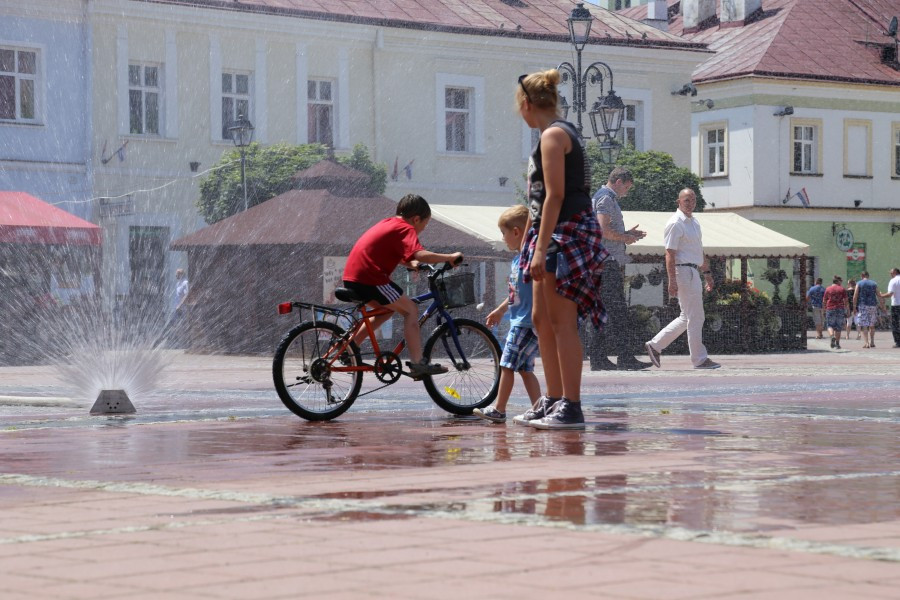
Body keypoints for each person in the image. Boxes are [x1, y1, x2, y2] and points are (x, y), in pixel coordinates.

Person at [511, 69, 609, 430]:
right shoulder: (551, 135)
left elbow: (555, 196)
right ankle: (552, 399)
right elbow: (538, 201)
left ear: (525, 105)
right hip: (550, 233)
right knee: (541, 319)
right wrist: (530, 243)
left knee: (562, 322)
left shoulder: (554, 135)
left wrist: (539, 249)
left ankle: (572, 404)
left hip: (566, 233)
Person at [342, 194, 462, 379]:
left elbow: (393, 252)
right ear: (416, 219)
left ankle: (350, 348)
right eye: (424, 224)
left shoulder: (388, 223)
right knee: (411, 310)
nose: (423, 229)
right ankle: (417, 363)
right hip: (370, 278)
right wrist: (449, 257)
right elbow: (420, 254)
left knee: (386, 310)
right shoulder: (405, 228)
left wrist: (411, 264)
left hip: (354, 277)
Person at [473, 205, 542, 423]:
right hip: (522, 321)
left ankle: (499, 409)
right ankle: (540, 408)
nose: (503, 239)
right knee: (524, 369)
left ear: (516, 232)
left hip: (526, 322)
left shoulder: (529, 259)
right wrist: (500, 311)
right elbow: (515, 294)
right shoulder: (517, 261)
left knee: (506, 364)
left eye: (504, 233)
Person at [644, 188, 720, 370]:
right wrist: (672, 280)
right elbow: (669, 254)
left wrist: (707, 273)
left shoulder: (694, 223)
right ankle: (699, 359)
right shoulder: (675, 223)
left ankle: (655, 345)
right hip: (683, 271)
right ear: (678, 201)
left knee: (687, 317)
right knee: (695, 317)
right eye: (687, 200)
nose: (691, 202)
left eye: (693, 199)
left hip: (693, 271)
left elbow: (697, 251)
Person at [590, 166, 649, 371]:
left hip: (602, 262)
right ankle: (623, 358)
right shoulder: (606, 198)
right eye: (626, 187)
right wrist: (626, 238)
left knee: (606, 312)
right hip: (607, 263)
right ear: (618, 182)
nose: (626, 191)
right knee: (618, 312)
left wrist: (626, 232)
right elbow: (603, 230)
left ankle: (599, 359)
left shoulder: (604, 197)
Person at [853, 271, 884, 348]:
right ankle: (872, 341)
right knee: (872, 324)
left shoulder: (859, 283)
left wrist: (854, 307)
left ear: (862, 275)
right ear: (868, 276)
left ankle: (866, 342)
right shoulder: (874, 283)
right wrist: (882, 305)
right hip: (873, 305)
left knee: (864, 325)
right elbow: (879, 295)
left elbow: (855, 296)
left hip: (863, 305)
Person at [823, 275, 849, 349]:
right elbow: (846, 301)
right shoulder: (842, 289)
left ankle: (832, 336)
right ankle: (837, 343)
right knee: (838, 327)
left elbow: (824, 300)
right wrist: (847, 310)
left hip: (830, 308)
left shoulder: (828, 289)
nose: (841, 283)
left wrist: (824, 310)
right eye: (841, 281)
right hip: (840, 308)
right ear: (838, 281)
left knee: (829, 325)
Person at [879, 267, 900, 348]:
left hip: (896, 305)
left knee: (895, 324)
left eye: (891, 273)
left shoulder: (893, 280)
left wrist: (881, 295)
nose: (890, 274)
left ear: (895, 272)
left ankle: (898, 342)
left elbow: (890, 294)